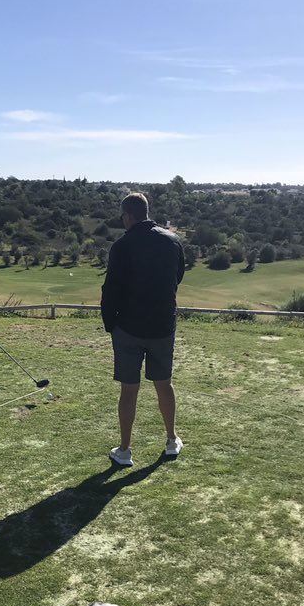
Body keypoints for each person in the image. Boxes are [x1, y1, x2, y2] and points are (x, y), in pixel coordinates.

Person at [100, 192, 185, 466]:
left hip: (128, 328)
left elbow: (110, 289)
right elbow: (178, 277)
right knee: (164, 384)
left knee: (129, 390)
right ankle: (171, 439)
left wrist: (110, 323)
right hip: (162, 325)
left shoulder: (122, 246)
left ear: (128, 215)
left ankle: (125, 451)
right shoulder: (172, 241)